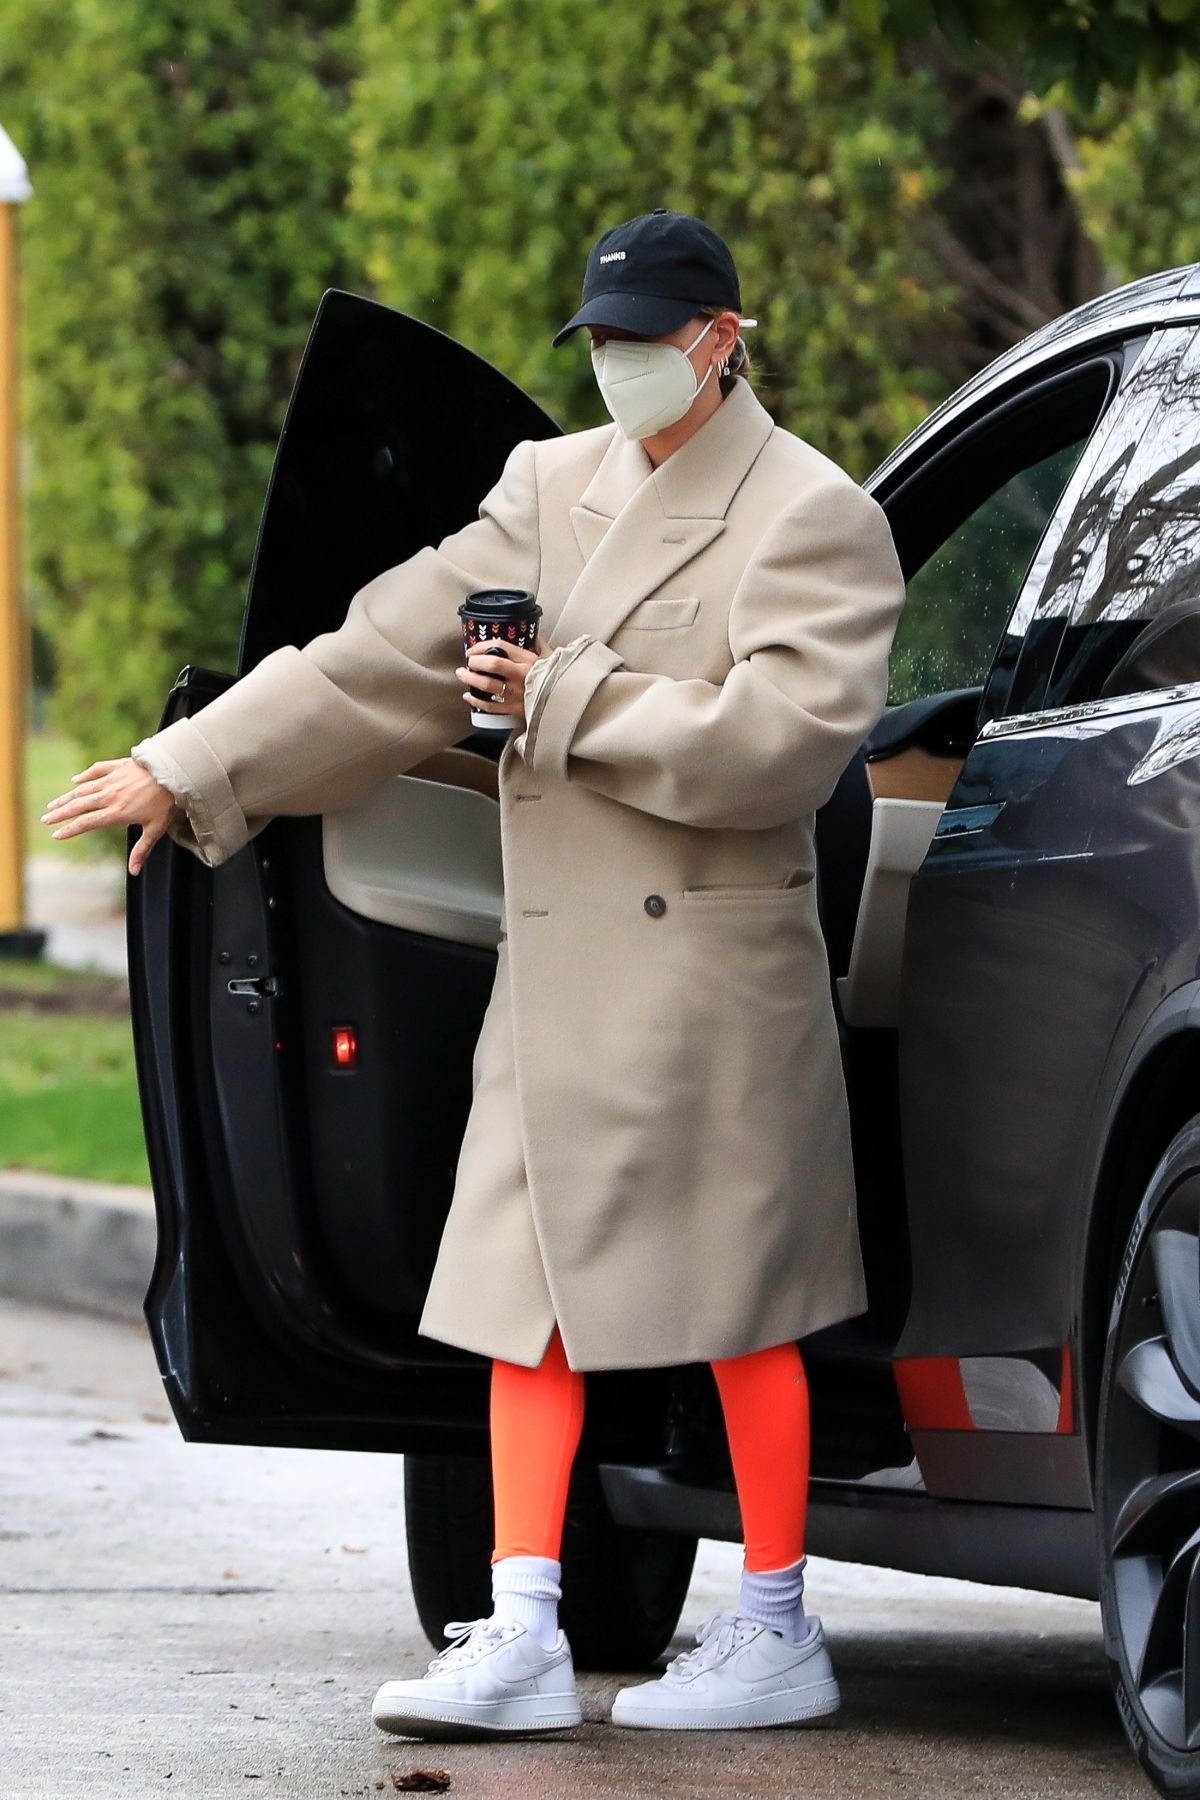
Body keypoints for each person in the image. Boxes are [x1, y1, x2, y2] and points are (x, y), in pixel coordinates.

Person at [40, 208, 906, 1737]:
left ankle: (776, 1625)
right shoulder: (547, 485)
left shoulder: (811, 514)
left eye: (646, 341)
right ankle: (516, 1628)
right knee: (526, 1303)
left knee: (743, 1305)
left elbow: (774, 751)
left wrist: (562, 694)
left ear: (723, 338)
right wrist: (189, 763)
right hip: (560, 972)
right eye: (601, 344)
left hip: (711, 975)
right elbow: (378, 653)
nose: (620, 369)